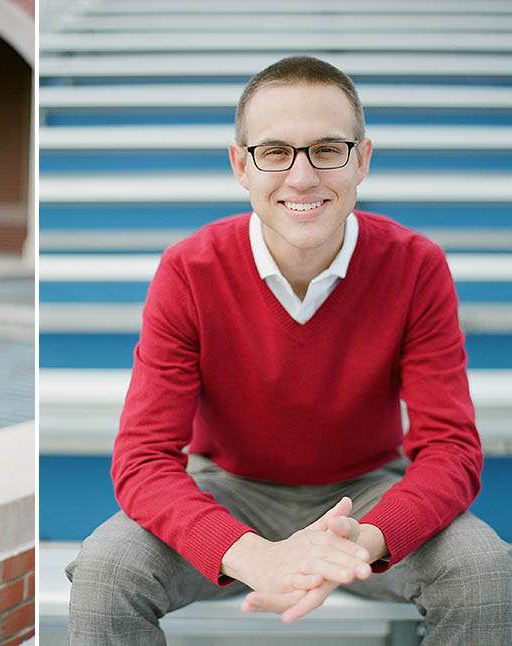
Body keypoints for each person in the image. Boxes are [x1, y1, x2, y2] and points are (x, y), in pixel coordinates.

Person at [66, 56, 512, 645]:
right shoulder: (189, 270)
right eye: (275, 152)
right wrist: (254, 557)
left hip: (367, 494)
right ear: (240, 165)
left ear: (363, 160)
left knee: (486, 573)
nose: (301, 178)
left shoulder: (415, 265)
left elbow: (451, 449)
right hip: (228, 487)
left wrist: (361, 542)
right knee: (105, 573)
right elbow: (143, 458)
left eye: (328, 149)